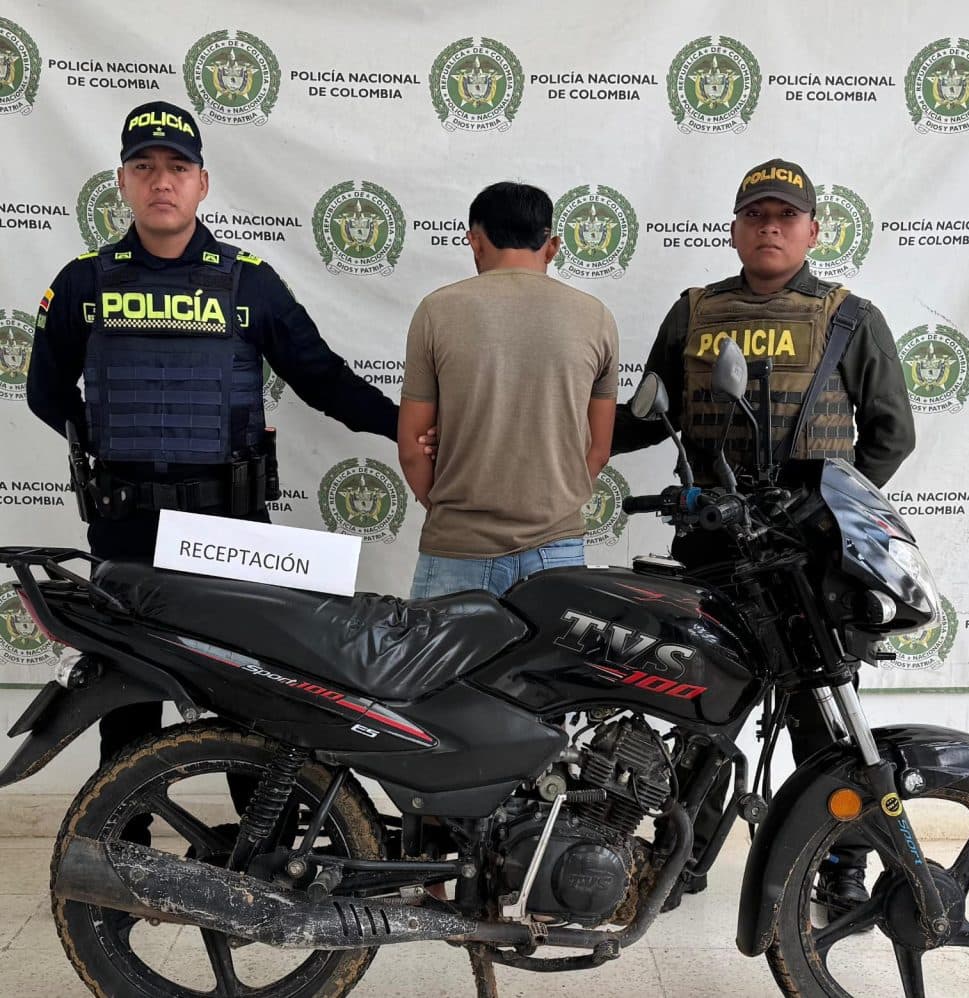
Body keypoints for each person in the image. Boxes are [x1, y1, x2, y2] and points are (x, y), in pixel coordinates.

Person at [26, 100, 405, 842]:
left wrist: (409, 428)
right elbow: (46, 392)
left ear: (203, 184)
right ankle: (118, 851)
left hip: (228, 526)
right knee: (128, 693)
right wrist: (100, 440)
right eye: (144, 168)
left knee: (250, 686)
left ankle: (268, 850)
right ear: (122, 183)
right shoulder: (82, 283)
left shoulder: (248, 283)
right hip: (129, 522)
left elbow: (322, 380)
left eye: (176, 168)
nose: (160, 182)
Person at [612, 158, 915, 919]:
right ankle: (678, 853)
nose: (770, 227)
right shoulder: (693, 313)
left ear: (813, 230)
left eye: (785, 216)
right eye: (755, 215)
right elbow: (648, 417)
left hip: (809, 560)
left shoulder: (851, 316)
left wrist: (825, 512)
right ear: (736, 228)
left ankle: (840, 866)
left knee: (826, 722)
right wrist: (550, 437)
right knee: (698, 708)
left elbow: (890, 433)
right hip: (714, 548)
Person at [398, 181, 619, 598]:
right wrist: (551, 504)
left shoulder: (436, 311)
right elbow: (599, 450)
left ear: (475, 242)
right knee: (549, 667)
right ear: (552, 246)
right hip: (556, 551)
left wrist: (455, 509)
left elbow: (412, 447)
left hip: (457, 549)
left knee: (447, 667)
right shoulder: (596, 318)